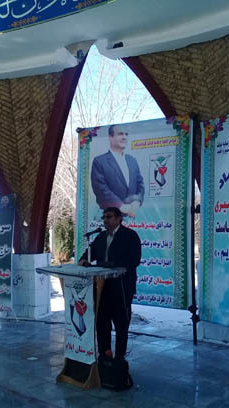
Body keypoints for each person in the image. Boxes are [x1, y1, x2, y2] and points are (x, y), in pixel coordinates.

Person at [79, 207, 141, 360]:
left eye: (109, 217)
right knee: (102, 323)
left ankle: (119, 358)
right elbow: (89, 254)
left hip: (122, 287)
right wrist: (83, 259)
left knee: (121, 325)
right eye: (104, 217)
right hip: (102, 287)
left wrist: (108, 265)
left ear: (119, 218)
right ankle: (104, 355)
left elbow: (134, 260)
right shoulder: (100, 237)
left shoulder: (130, 236)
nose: (105, 220)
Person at [90, 125, 144, 218]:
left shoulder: (132, 161)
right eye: (120, 134)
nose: (124, 137)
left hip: (133, 215)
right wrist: (121, 206)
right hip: (110, 217)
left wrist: (137, 201)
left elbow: (140, 184)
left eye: (126, 134)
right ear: (110, 137)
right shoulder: (99, 161)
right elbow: (100, 188)